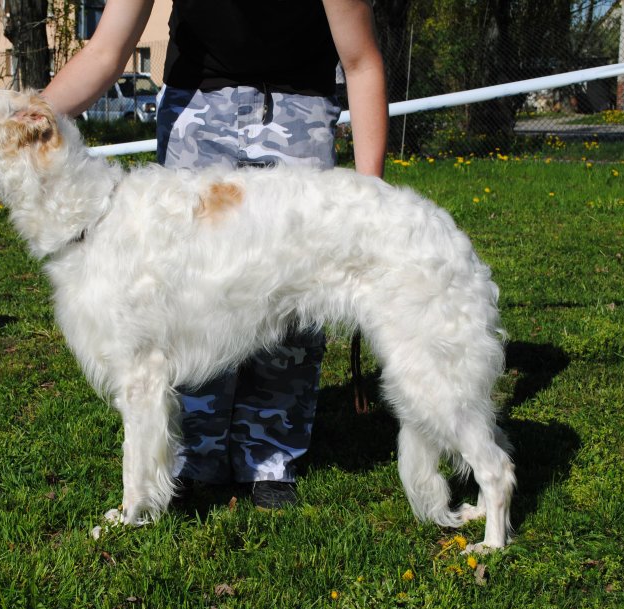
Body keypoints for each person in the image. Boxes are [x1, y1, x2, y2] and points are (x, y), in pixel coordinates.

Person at [42, 0, 388, 509]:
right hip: (197, 113)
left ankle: (269, 460)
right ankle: (193, 456)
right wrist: (23, 119)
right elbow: (105, 51)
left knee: (296, 289)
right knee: (185, 293)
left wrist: (371, 201)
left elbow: (360, 62)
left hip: (299, 113)